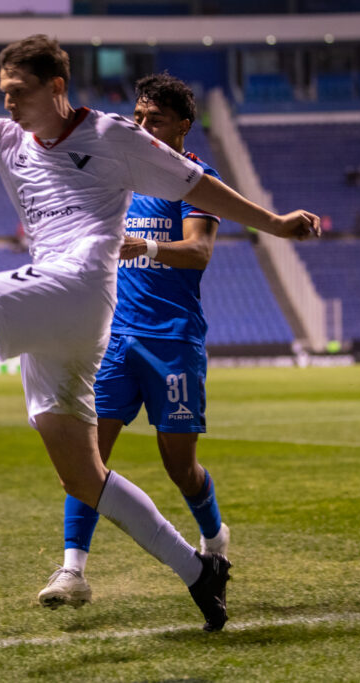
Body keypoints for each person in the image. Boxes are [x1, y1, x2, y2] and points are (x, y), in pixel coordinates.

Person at [0, 34, 319, 631]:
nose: (7, 104)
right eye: (2, 92)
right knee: (82, 476)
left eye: (18, 92)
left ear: (56, 87)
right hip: (64, 319)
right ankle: (199, 573)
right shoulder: (2, 137)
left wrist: (277, 225)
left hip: (81, 284)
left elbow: (199, 186)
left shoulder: (113, 136)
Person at [36, 73, 230, 611]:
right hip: (116, 338)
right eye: (138, 118)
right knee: (88, 457)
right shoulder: (119, 178)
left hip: (172, 339)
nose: (143, 127)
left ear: (183, 127)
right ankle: (72, 571)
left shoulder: (196, 180)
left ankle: (214, 540)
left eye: (156, 120)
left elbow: (198, 254)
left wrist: (139, 249)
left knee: (180, 466)